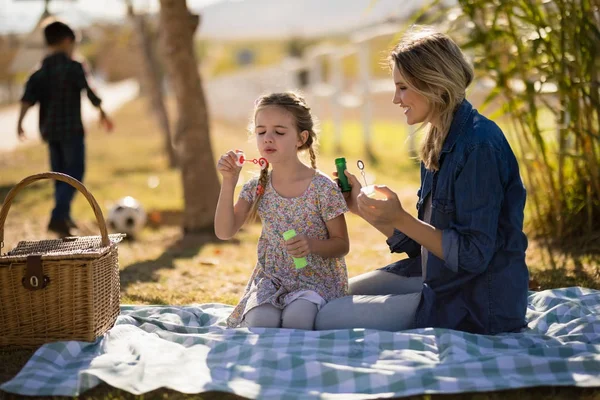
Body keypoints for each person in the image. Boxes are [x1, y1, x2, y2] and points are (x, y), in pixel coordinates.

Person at [315, 26, 529, 335]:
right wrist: (362, 208)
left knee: (326, 317)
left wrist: (400, 216)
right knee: (327, 293)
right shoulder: (438, 139)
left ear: (433, 84)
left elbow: (472, 256)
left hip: (477, 301)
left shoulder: (478, 145)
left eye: (402, 88)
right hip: (440, 275)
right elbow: (424, 246)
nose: (395, 99)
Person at [215, 92, 350, 330]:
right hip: (272, 280)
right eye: (261, 131)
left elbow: (342, 244)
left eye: (278, 132)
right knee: (260, 322)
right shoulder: (257, 186)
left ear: (301, 138)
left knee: (297, 320)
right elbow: (225, 232)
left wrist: (312, 245)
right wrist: (228, 181)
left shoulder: (322, 187)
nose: (268, 138)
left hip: (315, 281)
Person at [17, 20, 113, 237]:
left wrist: (20, 123)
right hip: (72, 131)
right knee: (75, 174)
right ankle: (58, 216)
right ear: (68, 41)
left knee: (59, 175)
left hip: (50, 132)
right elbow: (89, 92)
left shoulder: (39, 72)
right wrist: (102, 112)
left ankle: (64, 217)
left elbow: (26, 99)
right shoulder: (74, 66)